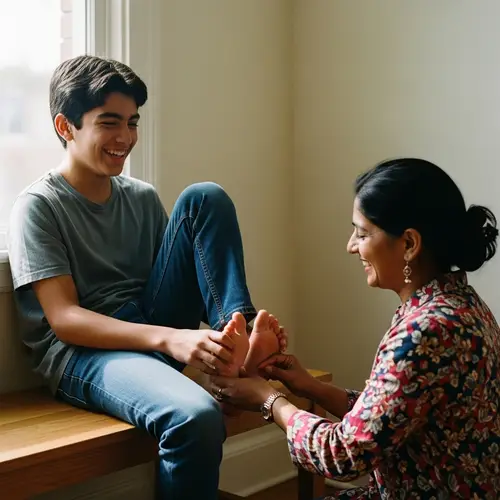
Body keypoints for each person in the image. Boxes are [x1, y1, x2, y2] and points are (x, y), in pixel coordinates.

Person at [7, 55, 287, 500]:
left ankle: (239, 337)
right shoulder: (38, 206)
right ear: (66, 127)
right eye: (109, 122)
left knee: (203, 197)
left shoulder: (141, 197)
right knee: (196, 415)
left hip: (148, 327)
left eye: (133, 122)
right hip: (83, 355)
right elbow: (65, 319)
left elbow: (180, 285)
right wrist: (171, 340)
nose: (125, 138)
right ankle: (228, 363)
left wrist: (199, 339)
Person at [211, 158, 500, 499]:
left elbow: (343, 456)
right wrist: (308, 386)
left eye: (362, 233)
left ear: (409, 244)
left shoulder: (426, 331)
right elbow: (389, 419)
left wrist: (269, 399)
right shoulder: (460, 303)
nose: (351, 246)